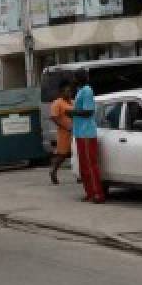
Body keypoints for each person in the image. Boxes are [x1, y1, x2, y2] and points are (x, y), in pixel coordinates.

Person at [69, 71, 106, 203]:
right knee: (84, 165)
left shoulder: (87, 90)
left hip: (87, 132)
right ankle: (89, 192)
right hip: (79, 132)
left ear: (79, 79)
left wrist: (72, 112)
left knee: (91, 164)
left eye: (75, 77)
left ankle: (97, 193)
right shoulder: (79, 91)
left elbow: (88, 111)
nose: (73, 80)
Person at [48, 81, 74, 185]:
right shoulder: (57, 103)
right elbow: (54, 117)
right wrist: (65, 126)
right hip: (64, 132)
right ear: (61, 92)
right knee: (62, 154)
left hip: (74, 131)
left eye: (70, 91)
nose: (69, 93)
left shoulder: (72, 102)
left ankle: (79, 175)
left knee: (76, 153)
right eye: (67, 91)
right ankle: (53, 170)